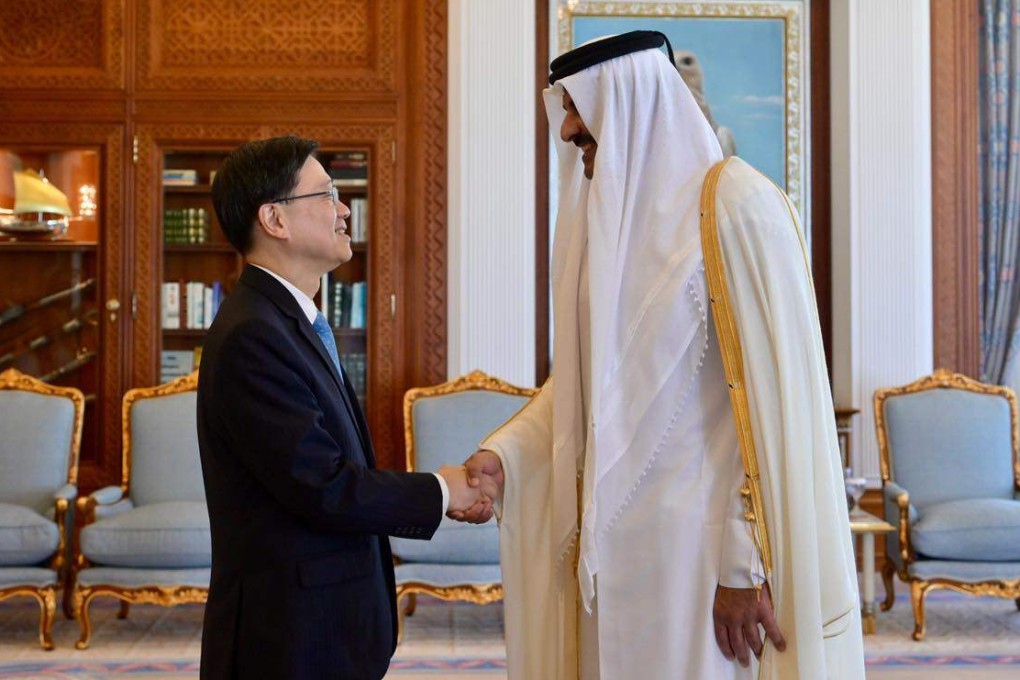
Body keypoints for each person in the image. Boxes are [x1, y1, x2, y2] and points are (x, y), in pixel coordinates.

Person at [453, 32, 864, 679]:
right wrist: (506, 454)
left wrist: (742, 567)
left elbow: (767, 411)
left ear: (632, 107)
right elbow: (592, 385)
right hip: (610, 555)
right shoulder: (600, 229)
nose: (566, 133)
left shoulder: (737, 208)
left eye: (581, 124)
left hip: (698, 563)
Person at [196, 136, 487, 680]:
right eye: (327, 194)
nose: (344, 209)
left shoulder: (286, 322)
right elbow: (322, 485)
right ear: (275, 219)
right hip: (288, 639)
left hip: (324, 625)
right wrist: (442, 491)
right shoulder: (253, 335)